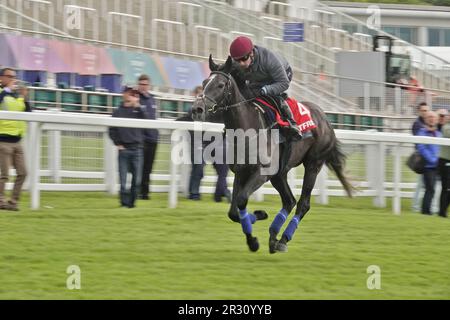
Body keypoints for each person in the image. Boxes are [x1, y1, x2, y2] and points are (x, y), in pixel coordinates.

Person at [228, 36, 302, 140]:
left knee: (273, 97)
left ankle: (291, 124)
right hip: (258, 78)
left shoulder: (269, 60)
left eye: (244, 59)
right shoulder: (236, 62)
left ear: (252, 53)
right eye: (237, 60)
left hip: (281, 77)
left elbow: (284, 83)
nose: (241, 63)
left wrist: (265, 90)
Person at [176, 86, 231, 202]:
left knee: (223, 166)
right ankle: (194, 194)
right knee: (199, 166)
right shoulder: (193, 110)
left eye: (203, 95)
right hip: (198, 142)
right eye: (199, 95)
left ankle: (220, 193)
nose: (202, 98)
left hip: (214, 142)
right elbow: (185, 119)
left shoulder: (215, 109)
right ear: (194, 97)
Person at [109, 86, 148, 208]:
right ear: (124, 94)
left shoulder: (139, 111)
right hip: (124, 150)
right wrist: (118, 143)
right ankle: (123, 204)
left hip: (137, 149)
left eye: (134, 95)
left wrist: (137, 106)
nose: (133, 96)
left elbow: (147, 121)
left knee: (136, 181)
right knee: (123, 181)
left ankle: (131, 204)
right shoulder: (117, 112)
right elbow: (111, 130)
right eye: (130, 94)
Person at [0, 68, 30, 211]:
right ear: (2, 78)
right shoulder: (2, 93)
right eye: (10, 76)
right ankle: (0, 201)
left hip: (17, 141)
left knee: (23, 173)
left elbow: (29, 113)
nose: (13, 79)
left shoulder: (16, 95)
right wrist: (6, 89)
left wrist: (25, 98)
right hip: (3, 140)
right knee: (4, 175)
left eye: (14, 76)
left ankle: (13, 202)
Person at [136, 74, 159, 200]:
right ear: (138, 85)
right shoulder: (136, 99)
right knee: (141, 167)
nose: (143, 87)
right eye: (141, 84)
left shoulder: (152, 99)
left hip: (153, 138)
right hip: (142, 139)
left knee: (149, 168)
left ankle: (145, 192)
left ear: (148, 85)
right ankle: (140, 191)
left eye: (145, 85)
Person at [417, 111, 441, 215]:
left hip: (437, 166)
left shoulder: (439, 133)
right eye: (429, 117)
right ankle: (426, 211)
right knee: (430, 188)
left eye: (434, 117)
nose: (432, 119)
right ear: (426, 119)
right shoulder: (422, 132)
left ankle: (427, 210)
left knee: (432, 189)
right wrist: (433, 160)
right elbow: (421, 148)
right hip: (428, 166)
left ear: (436, 120)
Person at [411, 102, 430, 212]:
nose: (425, 112)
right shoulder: (417, 124)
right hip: (421, 158)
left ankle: (417, 206)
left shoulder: (425, 123)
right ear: (419, 111)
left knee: (423, 183)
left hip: (426, 156)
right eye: (423, 111)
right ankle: (415, 206)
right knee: (421, 183)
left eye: (427, 110)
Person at [438, 113, 450, 218]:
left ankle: (443, 210)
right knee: (446, 187)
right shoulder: (446, 127)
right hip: (444, 160)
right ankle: (442, 212)